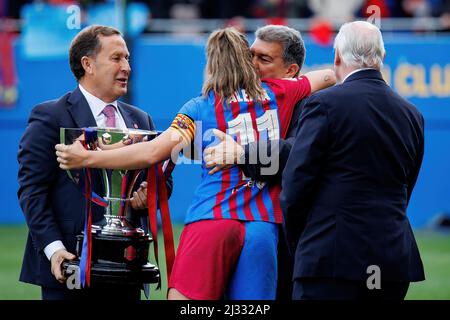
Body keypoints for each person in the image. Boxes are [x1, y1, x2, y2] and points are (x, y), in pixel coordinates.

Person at [55, 27, 334, 300]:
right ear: (246, 62)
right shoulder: (280, 92)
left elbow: (153, 152)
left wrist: (88, 157)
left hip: (213, 218)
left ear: (211, 65)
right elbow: (329, 77)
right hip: (263, 227)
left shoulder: (199, 107)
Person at [17, 25, 171, 300]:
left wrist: (148, 194)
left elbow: (163, 181)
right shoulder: (50, 116)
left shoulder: (142, 120)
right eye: (116, 58)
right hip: (69, 266)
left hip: (127, 266)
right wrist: (54, 249)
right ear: (87, 64)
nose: (126, 67)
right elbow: (32, 190)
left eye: (127, 58)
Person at [280, 21, 425, 300]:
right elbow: (406, 186)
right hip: (391, 260)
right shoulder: (412, 114)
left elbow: (295, 184)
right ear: (381, 59)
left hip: (330, 260)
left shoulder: (323, 104)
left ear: (337, 57)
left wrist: (302, 243)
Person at [201, 24, 330, 300]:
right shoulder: (232, 100)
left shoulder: (311, 106)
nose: (253, 65)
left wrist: (242, 153)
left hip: (283, 238)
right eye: (251, 56)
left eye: (265, 59)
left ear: (291, 71)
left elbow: (294, 159)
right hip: (230, 225)